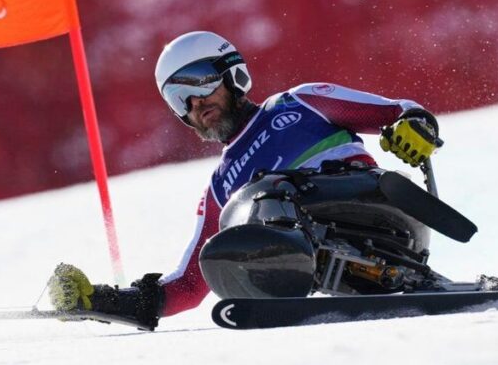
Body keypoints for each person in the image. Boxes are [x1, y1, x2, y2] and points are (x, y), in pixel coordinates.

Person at [48, 31, 442, 330]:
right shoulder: (221, 185)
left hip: (375, 206)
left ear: (232, 74)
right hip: (311, 248)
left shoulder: (300, 103)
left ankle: (375, 262)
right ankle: (352, 273)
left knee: (266, 194)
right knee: (221, 244)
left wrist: (412, 126)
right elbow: (189, 284)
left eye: (199, 81)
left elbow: (399, 110)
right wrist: (101, 302)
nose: (195, 103)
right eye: (178, 98)